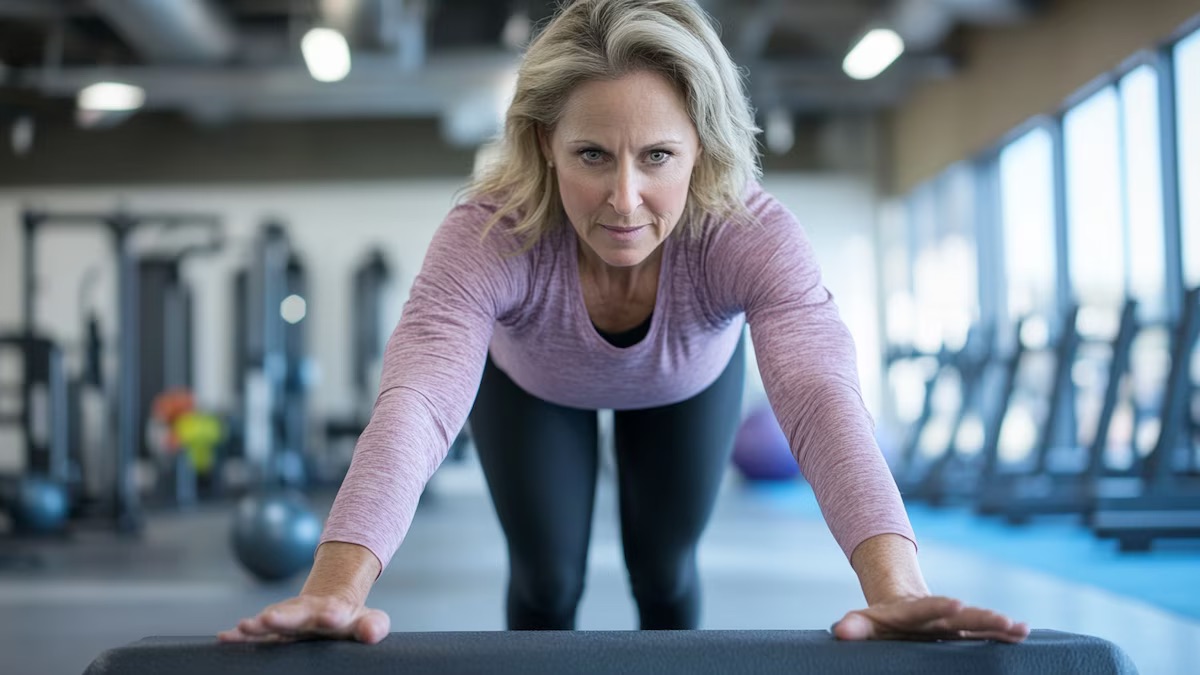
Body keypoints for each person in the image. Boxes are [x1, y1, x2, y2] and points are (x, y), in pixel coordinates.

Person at [220, 0, 1029, 645]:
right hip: (530, 384)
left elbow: (819, 395)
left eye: (658, 157)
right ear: (546, 144)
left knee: (667, 573)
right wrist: (332, 591)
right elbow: (419, 402)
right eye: (593, 156)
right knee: (545, 579)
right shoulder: (491, 231)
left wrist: (897, 591)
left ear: (703, 149)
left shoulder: (747, 233)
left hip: (687, 385)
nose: (624, 200)